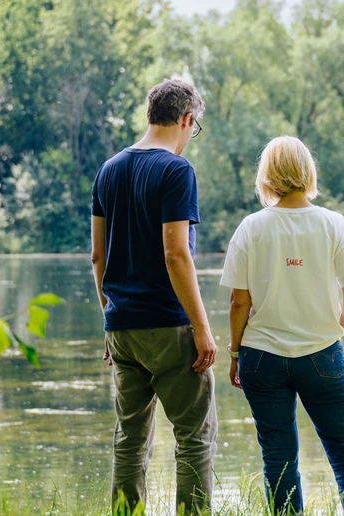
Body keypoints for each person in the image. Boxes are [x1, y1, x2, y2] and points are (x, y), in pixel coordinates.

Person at [221, 135, 344, 514]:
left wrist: (235, 353)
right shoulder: (333, 224)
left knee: (278, 457)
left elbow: (239, 301)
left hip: (261, 357)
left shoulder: (250, 228)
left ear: (267, 176)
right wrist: (332, 332)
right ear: (308, 171)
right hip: (321, 354)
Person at [90, 78, 218, 514]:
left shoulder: (109, 170)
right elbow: (176, 254)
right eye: (193, 127)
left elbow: (96, 256)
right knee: (195, 440)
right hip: (169, 325)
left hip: (122, 328)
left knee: (129, 440)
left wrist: (109, 318)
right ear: (186, 119)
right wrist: (202, 329)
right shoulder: (176, 171)